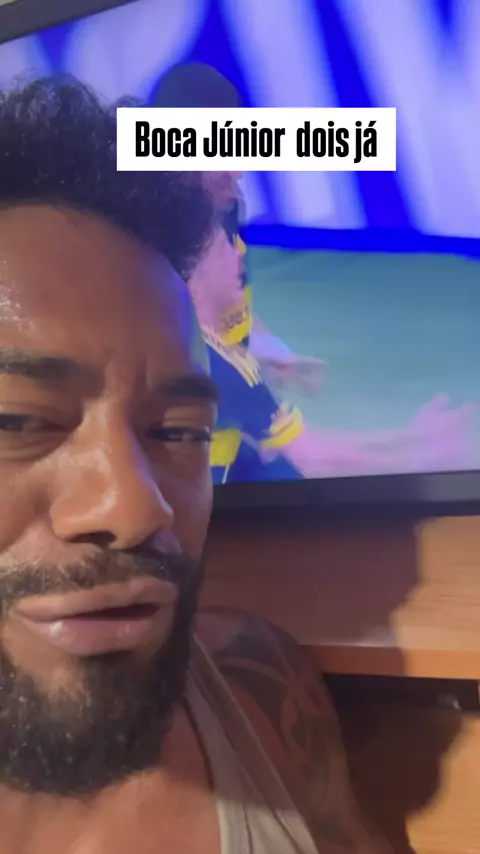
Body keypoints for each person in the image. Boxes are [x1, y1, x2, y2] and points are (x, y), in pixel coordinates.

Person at [0, 76, 389, 853]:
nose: (136, 508)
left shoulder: (264, 686)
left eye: (178, 431)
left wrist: (272, 355)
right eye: (16, 421)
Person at [153, 63, 478, 485]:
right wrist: (422, 452)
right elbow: (319, 458)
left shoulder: (224, 208)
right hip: (198, 469)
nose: (238, 169)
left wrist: (269, 348)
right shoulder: (194, 351)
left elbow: (230, 301)